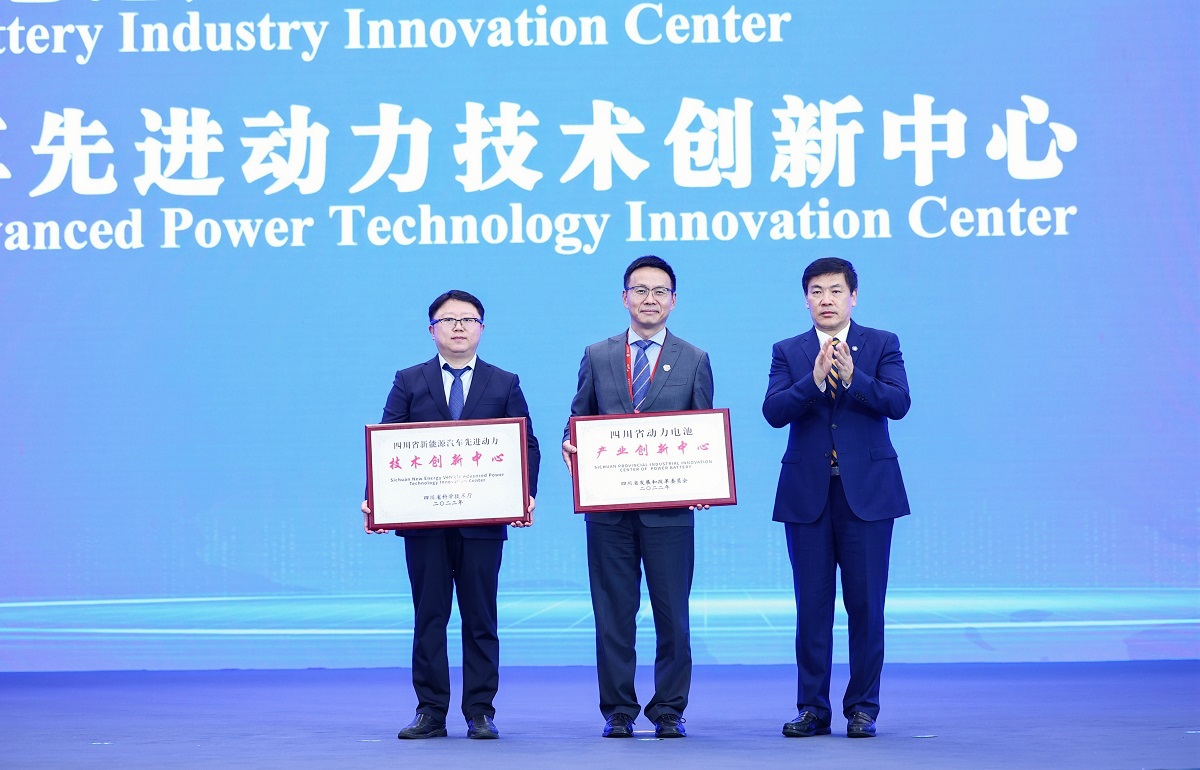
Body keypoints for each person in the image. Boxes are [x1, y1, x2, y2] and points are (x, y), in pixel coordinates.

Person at [361, 289, 540, 741]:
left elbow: (526, 445)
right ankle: (430, 712)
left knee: (481, 619)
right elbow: (388, 442)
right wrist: (374, 498)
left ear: (482, 328)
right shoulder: (409, 380)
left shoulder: (504, 382)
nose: (459, 326)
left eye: (468, 319)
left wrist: (525, 494)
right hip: (425, 525)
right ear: (432, 330)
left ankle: (480, 711)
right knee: (430, 617)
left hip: (483, 524)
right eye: (448, 319)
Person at [562, 255, 714, 739]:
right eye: (640, 290)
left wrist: (707, 477)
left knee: (673, 615)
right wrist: (570, 442)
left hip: (669, 515)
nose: (650, 299)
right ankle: (619, 710)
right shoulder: (597, 354)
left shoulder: (694, 358)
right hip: (609, 513)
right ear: (624, 297)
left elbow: (702, 431)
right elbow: (578, 417)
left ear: (674, 300)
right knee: (613, 615)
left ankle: (669, 709)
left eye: (659, 291)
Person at [762, 257, 910, 740]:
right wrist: (813, 381)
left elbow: (898, 403)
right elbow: (774, 412)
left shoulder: (881, 343)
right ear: (806, 299)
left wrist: (852, 378)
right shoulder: (788, 351)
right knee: (812, 609)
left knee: (866, 607)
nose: (826, 300)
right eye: (817, 292)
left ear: (853, 297)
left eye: (836, 291)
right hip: (807, 496)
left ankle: (863, 708)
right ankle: (812, 709)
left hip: (868, 496)